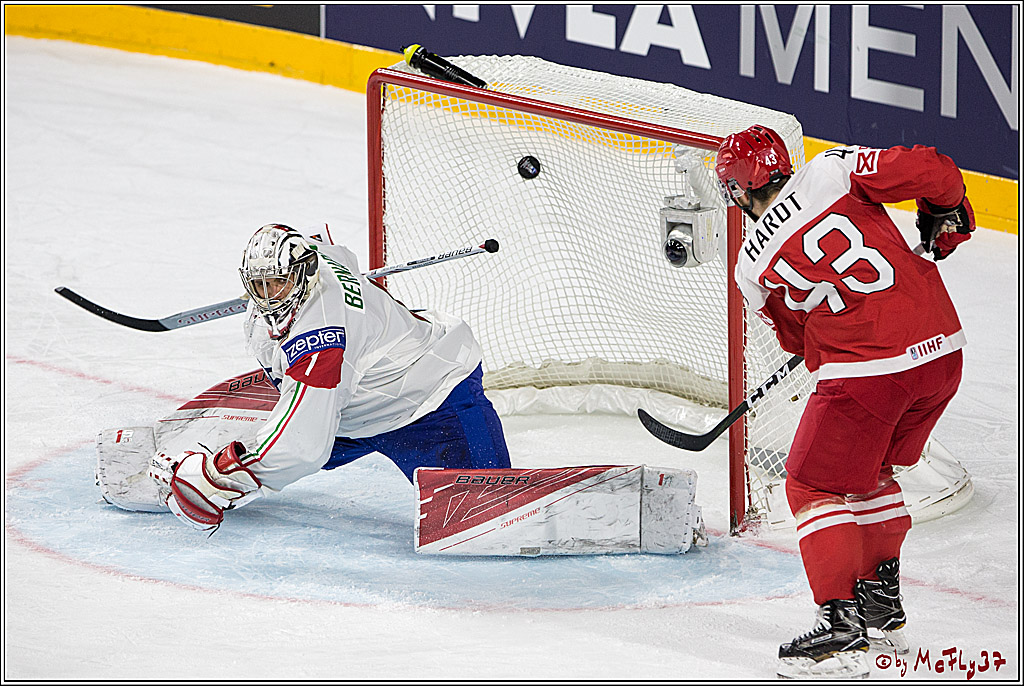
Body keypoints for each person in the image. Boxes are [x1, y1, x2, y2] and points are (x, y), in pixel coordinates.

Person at [714, 126, 974, 679]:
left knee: (810, 483)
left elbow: (795, 339)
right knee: (870, 472)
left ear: (739, 191)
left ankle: (839, 626)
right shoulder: (832, 169)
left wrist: (829, 327)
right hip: (942, 352)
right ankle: (881, 604)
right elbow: (936, 170)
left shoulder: (748, 269)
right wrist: (946, 215)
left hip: (870, 372)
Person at [150, 224, 511, 531]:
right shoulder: (320, 257)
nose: (267, 297)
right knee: (269, 442)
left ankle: (218, 473)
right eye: (259, 285)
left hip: (430, 400)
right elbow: (333, 248)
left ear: (304, 272)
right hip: (353, 406)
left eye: (277, 284)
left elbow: (303, 447)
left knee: (485, 516)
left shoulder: (319, 339)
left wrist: (217, 477)